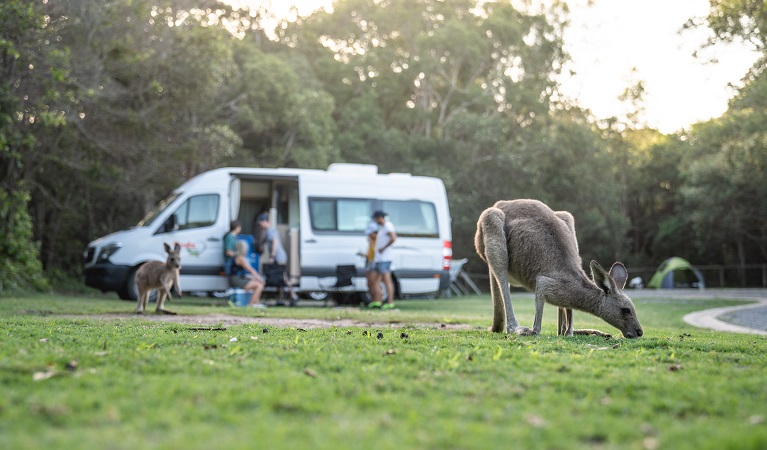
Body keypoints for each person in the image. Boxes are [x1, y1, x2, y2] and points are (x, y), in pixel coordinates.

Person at [255, 212, 298, 306]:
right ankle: (281, 299)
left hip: (279, 257)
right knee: (280, 278)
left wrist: (272, 256)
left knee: (283, 277)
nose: (260, 225)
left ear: (265, 221)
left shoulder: (270, 231)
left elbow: (275, 242)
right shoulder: (269, 230)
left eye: (260, 223)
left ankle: (293, 295)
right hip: (279, 257)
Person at [369, 210, 397, 310]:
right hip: (380, 259)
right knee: (376, 281)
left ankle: (390, 303)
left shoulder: (388, 226)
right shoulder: (382, 227)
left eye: (376, 218)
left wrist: (384, 248)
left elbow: (393, 238)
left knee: (387, 281)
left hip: (385, 259)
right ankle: (378, 301)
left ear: (380, 218)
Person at [229, 240, 266, 308]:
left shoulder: (235, 257)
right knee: (258, 285)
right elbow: (250, 269)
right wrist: (259, 277)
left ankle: (256, 303)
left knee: (258, 283)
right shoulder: (240, 258)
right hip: (236, 279)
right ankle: (251, 304)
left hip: (238, 278)